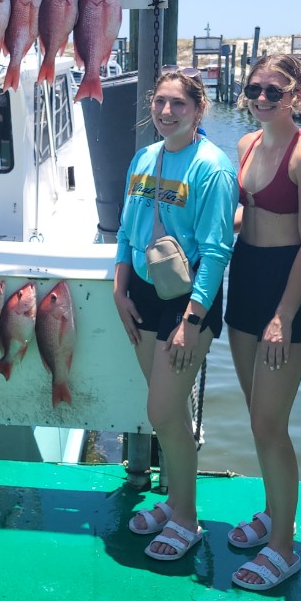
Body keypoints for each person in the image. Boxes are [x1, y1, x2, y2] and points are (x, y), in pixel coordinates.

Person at [113, 69, 237, 563]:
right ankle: (175, 501)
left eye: (178, 104)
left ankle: (186, 518)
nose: (166, 112)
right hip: (142, 291)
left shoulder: (213, 168)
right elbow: (126, 228)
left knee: (162, 411)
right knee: (171, 413)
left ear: (198, 109)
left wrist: (192, 319)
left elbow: (217, 250)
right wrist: (119, 289)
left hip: (187, 301)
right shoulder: (145, 157)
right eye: (160, 102)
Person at [225, 55, 301, 591]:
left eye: (275, 90)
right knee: (255, 413)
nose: (263, 98)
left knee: (270, 421)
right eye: (254, 89)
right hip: (245, 275)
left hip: (286, 286)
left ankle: (284, 548)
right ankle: (273, 513)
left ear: (297, 95)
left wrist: (283, 316)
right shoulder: (246, 144)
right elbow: (248, 213)